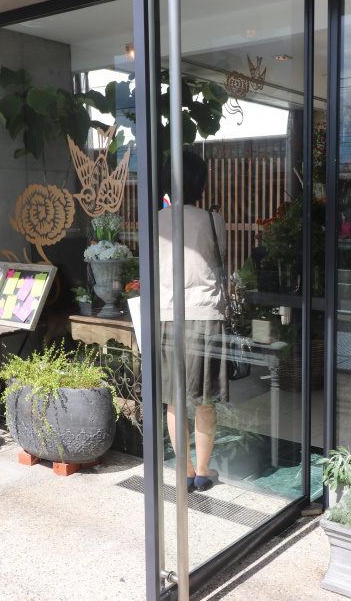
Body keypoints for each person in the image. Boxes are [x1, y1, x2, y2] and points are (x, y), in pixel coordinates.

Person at [158, 151, 226, 493]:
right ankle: (202, 472)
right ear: (200, 182)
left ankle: (184, 472)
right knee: (204, 399)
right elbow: (219, 260)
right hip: (205, 314)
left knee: (175, 398)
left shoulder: (156, 220)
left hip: (168, 314)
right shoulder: (213, 221)